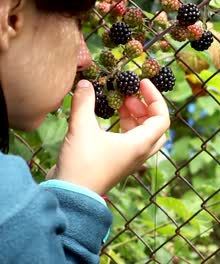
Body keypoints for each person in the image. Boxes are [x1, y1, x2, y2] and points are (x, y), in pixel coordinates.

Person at [0, 0, 170, 263]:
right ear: (10, 17)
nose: (86, 57)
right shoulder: (8, 204)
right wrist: (80, 193)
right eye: (76, 23)